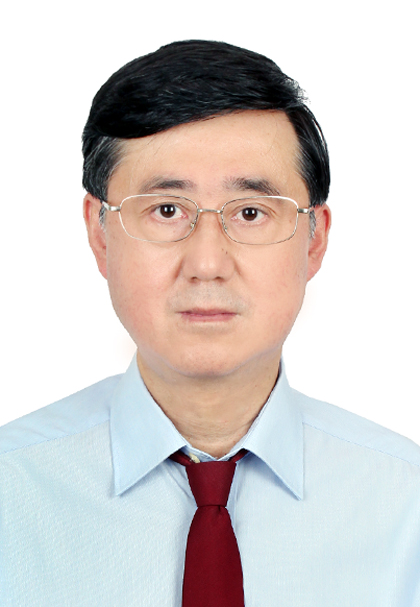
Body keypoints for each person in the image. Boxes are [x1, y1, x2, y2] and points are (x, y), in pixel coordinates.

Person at [0, 40, 419, 607]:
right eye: (166, 210)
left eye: (250, 213)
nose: (206, 264)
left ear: (314, 239)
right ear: (100, 232)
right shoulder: (11, 493)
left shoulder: (405, 505)